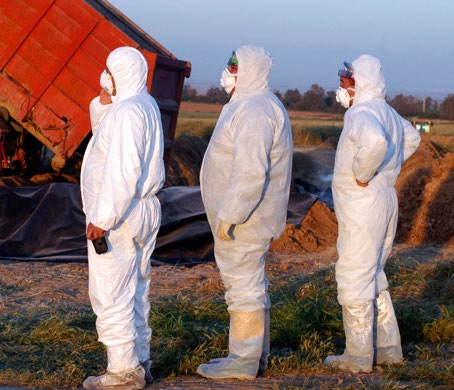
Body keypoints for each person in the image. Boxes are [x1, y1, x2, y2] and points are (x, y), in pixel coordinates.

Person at [196, 45, 293, 380]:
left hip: (245, 218)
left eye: (236, 66)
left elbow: (251, 170)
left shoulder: (255, 110)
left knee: (243, 285)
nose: (229, 71)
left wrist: (231, 213)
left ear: (250, 70)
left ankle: (243, 359)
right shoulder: (249, 105)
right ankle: (253, 356)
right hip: (244, 215)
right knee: (249, 282)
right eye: (229, 64)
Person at [324, 55, 421, 373]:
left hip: (363, 203)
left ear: (359, 84)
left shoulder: (360, 113)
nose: (340, 90)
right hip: (384, 199)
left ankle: (358, 354)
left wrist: (364, 173)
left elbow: (376, 143)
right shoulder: (386, 111)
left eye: (344, 83)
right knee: (373, 274)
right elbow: (412, 137)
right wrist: (388, 171)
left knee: (353, 276)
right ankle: (389, 349)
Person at [80, 46, 165, 389]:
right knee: (135, 289)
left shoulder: (129, 111)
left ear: (123, 74)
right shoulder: (142, 103)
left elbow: (123, 170)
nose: (106, 77)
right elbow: (104, 131)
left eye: (110, 72)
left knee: (111, 291)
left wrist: (103, 217)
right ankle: (140, 360)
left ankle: (122, 372)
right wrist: (105, 93)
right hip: (140, 211)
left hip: (121, 215)